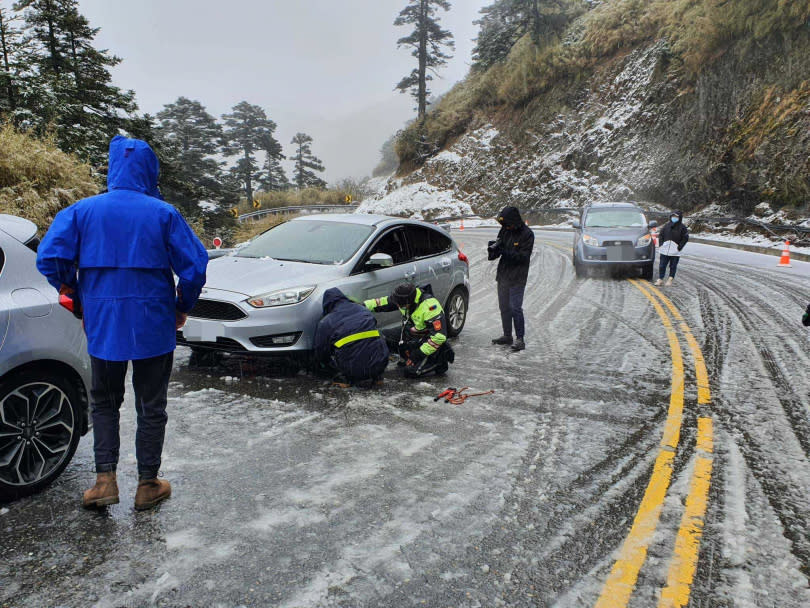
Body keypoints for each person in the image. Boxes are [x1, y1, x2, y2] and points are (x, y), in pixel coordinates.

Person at [37, 135, 208, 511]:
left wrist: (79, 297)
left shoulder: (81, 212)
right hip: (154, 322)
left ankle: (104, 482)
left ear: (112, 168)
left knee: (104, 401)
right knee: (151, 405)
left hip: (104, 323)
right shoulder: (163, 213)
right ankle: (148, 484)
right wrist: (182, 305)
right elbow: (195, 266)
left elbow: (49, 259)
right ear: (150, 170)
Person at [364, 283, 454, 378]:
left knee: (410, 371)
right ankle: (406, 355)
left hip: (429, 341)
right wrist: (360, 307)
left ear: (408, 302)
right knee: (381, 336)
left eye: (400, 305)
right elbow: (381, 302)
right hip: (412, 333)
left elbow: (439, 337)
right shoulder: (401, 298)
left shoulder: (430, 307)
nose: (397, 305)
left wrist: (417, 355)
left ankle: (439, 361)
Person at [313, 288, 390, 387]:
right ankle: (377, 377)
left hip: (352, 369)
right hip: (380, 364)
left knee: (330, 361)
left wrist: (322, 366)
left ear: (327, 304)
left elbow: (320, 351)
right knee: (373, 340)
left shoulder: (326, 322)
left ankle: (343, 380)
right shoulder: (363, 309)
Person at [488, 206, 535, 351]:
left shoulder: (527, 234)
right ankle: (507, 335)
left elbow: (523, 257)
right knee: (504, 307)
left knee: (515, 308)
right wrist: (492, 250)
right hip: (503, 275)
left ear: (513, 220)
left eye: (508, 223)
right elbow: (496, 254)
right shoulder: (505, 230)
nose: (506, 226)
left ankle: (520, 339)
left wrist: (504, 251)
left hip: (518, 277)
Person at [655, 210, 689, 286]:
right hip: (665, 250)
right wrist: (661, 244)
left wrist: (679, 247)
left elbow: (685, 238)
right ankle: (660, 279)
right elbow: (661, 235)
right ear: (670, 217)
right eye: (673, 216)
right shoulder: (666, 226)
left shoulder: (682, 228)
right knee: (662, 265)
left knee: (673, 266)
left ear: (679, 218)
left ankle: (670, 279)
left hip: (675, 251)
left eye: (676, 217)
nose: (674, 218)